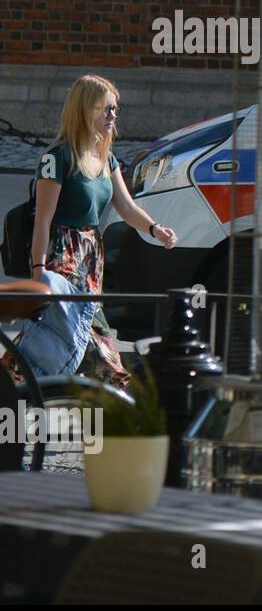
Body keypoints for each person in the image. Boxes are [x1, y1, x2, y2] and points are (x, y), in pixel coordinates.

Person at [1, 75, 177, 390]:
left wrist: (154, 228)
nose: (113, 116)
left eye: (115, 109)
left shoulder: (106, 158)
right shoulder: (57, 158)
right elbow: (43, 219)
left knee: (68, 337)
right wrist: (39, 270)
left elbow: (125, 206)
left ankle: (38, 392)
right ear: (85, 110)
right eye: (106, 109)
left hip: (91, 260)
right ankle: (104, 394)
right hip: (63, 259)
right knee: (67, 336)